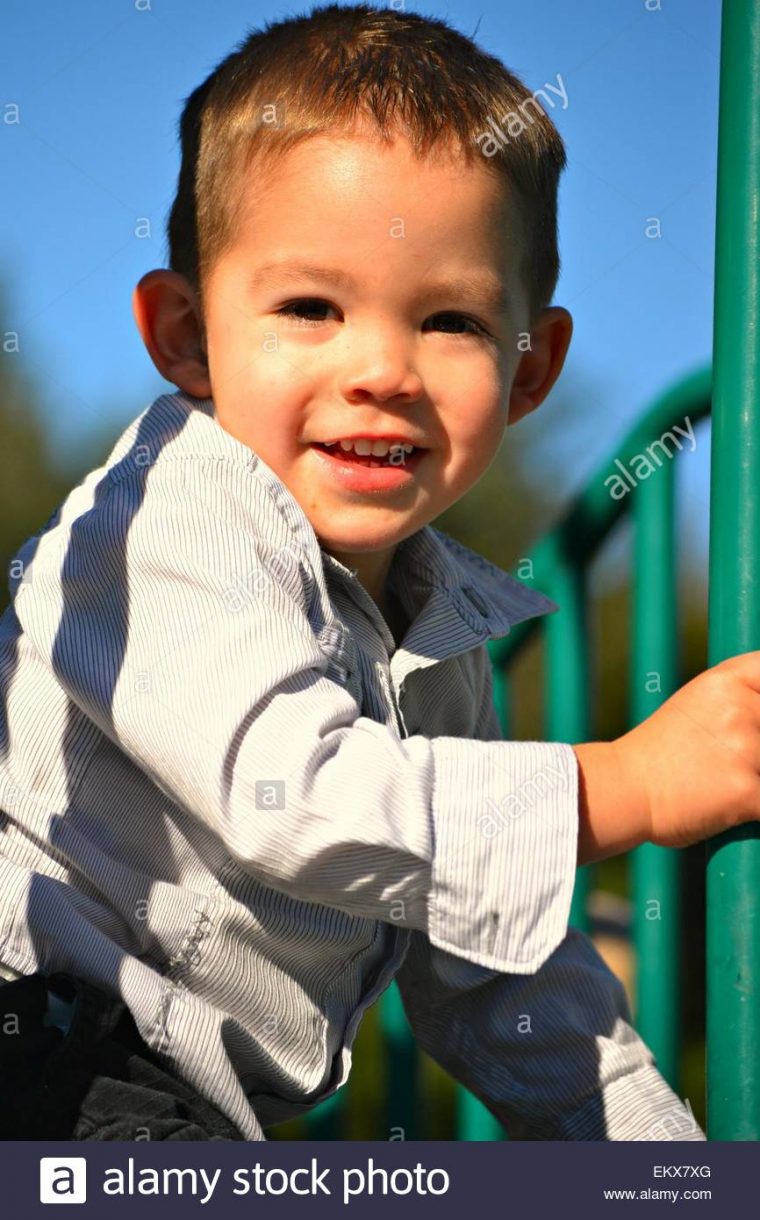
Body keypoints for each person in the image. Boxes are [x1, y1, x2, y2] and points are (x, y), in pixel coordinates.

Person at [0, 2, 754, 1142]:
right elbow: (293, 803)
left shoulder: (439, 632)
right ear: (188, 335)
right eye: (310, 306)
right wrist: (625, 785)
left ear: (530, 364)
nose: (382, 370)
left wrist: (669, 1161)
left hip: (174, 1104)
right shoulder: (174, 509)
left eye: (448, 319)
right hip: (42, 1054)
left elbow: (489, 959)